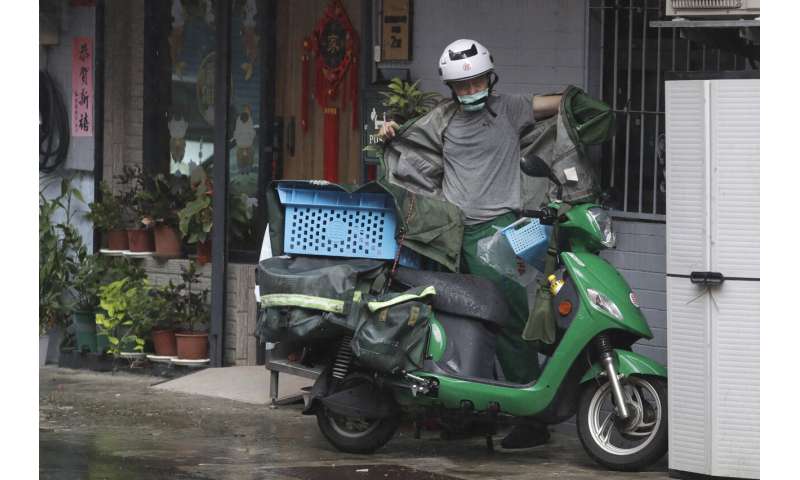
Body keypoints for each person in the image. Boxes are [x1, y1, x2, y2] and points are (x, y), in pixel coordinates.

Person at [379, 39, 561, 449]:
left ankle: (532, 420)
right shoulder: (442, 119)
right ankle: (461, 412)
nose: (470, 90)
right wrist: (391, 131)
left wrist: (576, 100)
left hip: (500, 234)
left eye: (477, 81)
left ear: (490, 77)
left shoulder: (512, 108)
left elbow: (557, 105)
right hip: (452, 234)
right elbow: (409, 141)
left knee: (512, 322)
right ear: (450, 88)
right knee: (455, 324)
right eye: (461, 86)